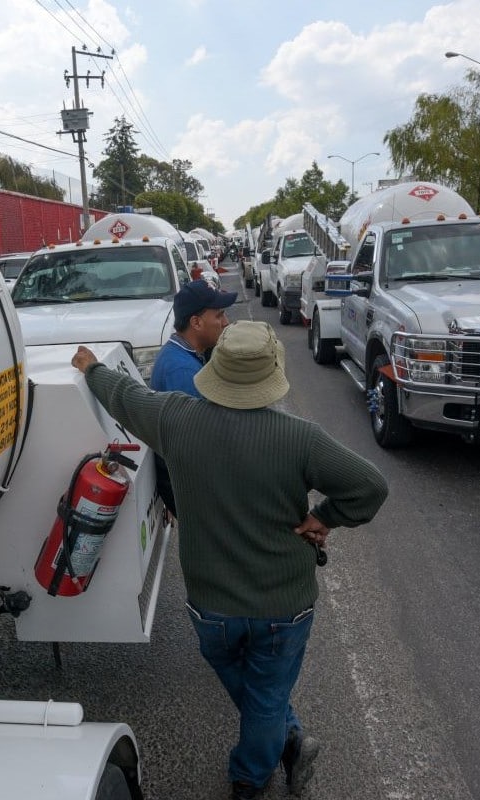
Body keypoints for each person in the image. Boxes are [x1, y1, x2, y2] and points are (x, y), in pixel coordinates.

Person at [71, 322, 389, 799]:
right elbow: (370, 486)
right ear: (272, 374)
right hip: (284, 603)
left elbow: (125, 397)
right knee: (266, 694)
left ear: (216, 369)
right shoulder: (301, 438)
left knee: (253, 688)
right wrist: (324, 517)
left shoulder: (176, 419)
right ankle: (254, 776)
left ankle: (275, 751)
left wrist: (92, 368)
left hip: (211, 603)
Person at [149, 278, 237, 516]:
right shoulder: (183, 373)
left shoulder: (183, 353)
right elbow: (199, 449)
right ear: (196, 322)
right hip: (194, 494)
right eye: (219, 316)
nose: (226, 322)